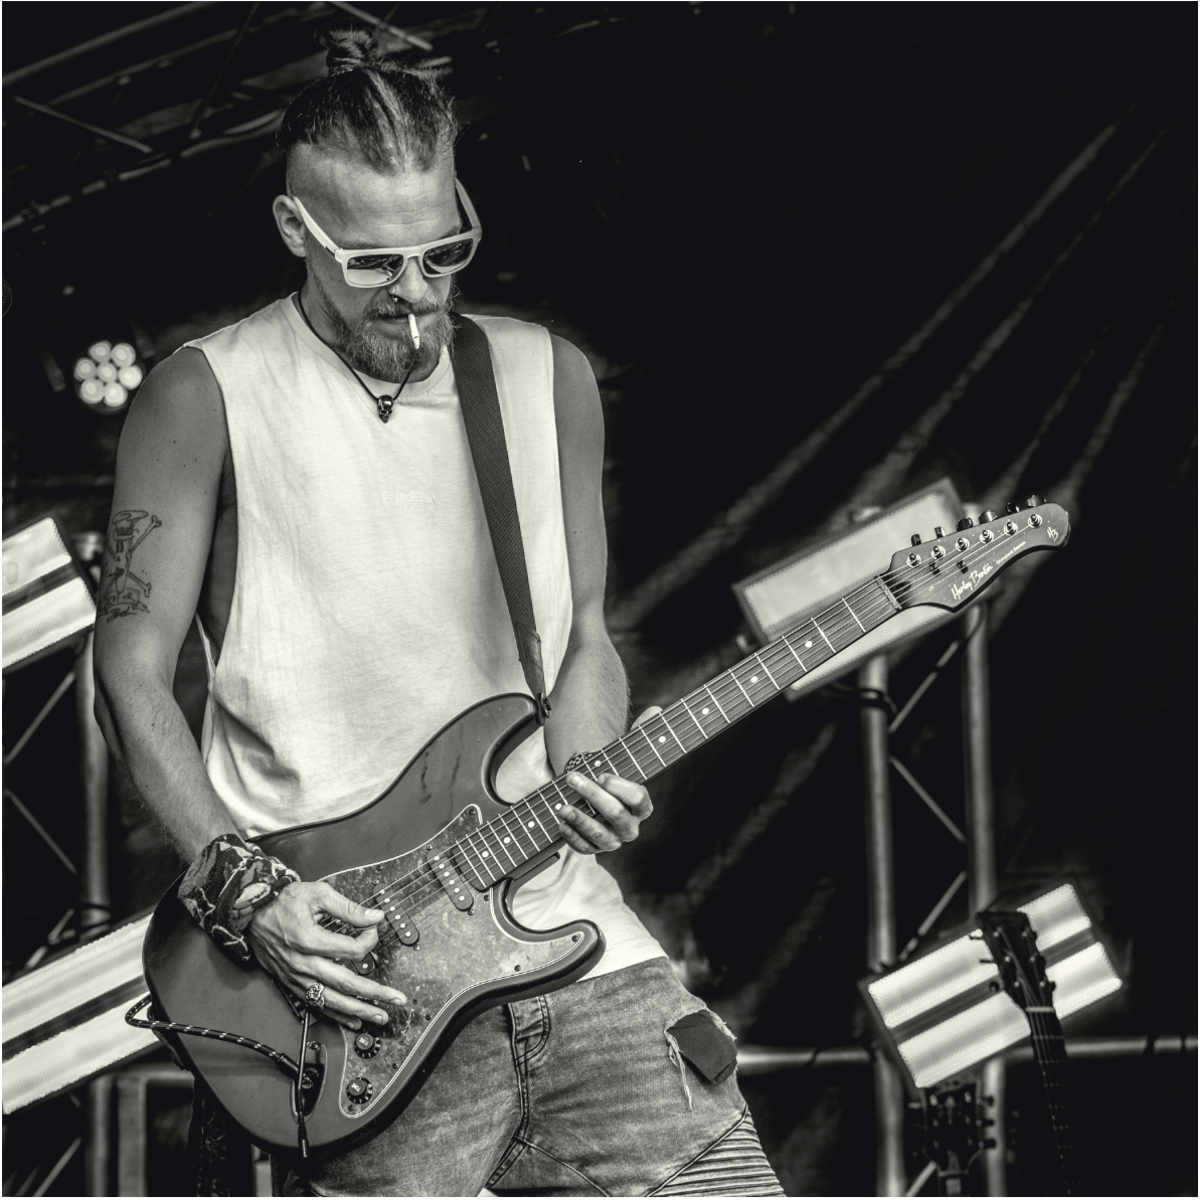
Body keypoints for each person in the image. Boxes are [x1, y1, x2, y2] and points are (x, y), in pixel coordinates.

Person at [94, 25, 784, 1198]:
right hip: (357, 976)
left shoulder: (543, 375)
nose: (415, 294)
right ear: (295, 230)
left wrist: (589, 762)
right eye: (373, 263)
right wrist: (245, 892)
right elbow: (130, 671)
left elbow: (582, 639)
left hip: (570, 938)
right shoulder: (204, 393)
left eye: (442, 251)